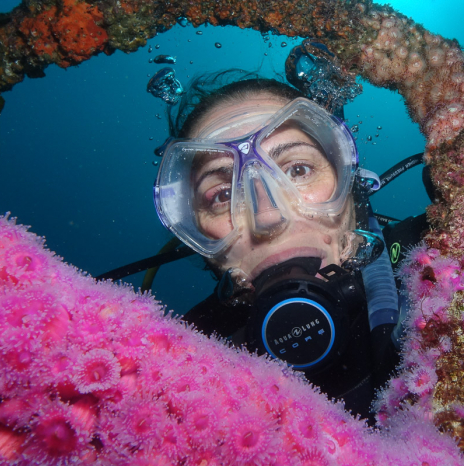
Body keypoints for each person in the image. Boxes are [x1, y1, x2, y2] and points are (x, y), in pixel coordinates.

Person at [153, 75, 406, 420]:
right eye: (223, 195)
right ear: (198, 237)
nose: (268, 216)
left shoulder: (432, 265)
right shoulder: (175, 367)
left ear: (350, 190)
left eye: (298, 169)